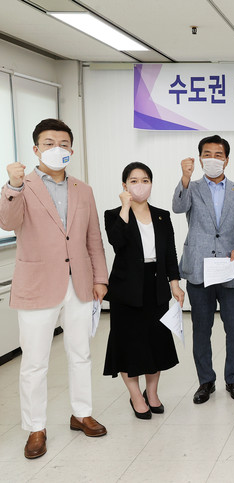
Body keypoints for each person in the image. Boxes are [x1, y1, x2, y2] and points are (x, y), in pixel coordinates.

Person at [0, 118, 108, 459]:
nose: (56, 148)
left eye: (63, 143)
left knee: (80, 353)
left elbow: (93, 237)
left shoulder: (83, 189)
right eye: (48, 143)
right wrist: (13, 186)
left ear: (71, 150)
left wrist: (100, 278)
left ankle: (82, 413)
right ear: (36, 149)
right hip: (37, 284)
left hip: (79, 283)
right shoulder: (22, 185)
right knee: (34, 361)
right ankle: (36, 427)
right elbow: (8, 222)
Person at [172, 135, 234, 404]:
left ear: (226, 160)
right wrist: (185, 178)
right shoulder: (192, 187)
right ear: (199, 159)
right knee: (201, 329)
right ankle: (205, 381)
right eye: (207, 154)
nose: (212, 159)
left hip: (230, 270)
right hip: (199, 269)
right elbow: (178, 207)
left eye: (218, 155)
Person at [103, 162, 185, 419]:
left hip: (156, 286)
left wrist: (175, 283)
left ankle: (152, 392)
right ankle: (135, 396)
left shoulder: (162, 215)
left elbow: (169, 252)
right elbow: (117, 242)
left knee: (155, 342)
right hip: (126, 289)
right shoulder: (114, 214)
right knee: (128, 343)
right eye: (134, 180)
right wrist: (125, 207)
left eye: (145, 180)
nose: (140, 185)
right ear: (124, 185)